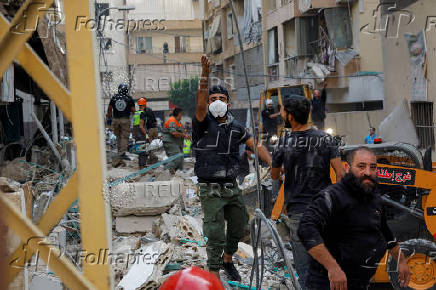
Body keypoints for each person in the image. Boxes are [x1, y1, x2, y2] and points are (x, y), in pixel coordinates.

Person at [193, 55, 272, 282]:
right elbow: (199, 101)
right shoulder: (202, 122)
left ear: (228, 102)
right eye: (213, 98)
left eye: (221, 98)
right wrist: (205, 72)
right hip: (210, 189)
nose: (217, 101)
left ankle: (228, 259)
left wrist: (272, 162)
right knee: (215, 232)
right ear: (209, 103)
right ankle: (214, 273)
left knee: (239, 227)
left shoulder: (236, 126)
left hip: (231, 186)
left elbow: (254, 145)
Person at [298, 147, 411, 289]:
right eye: (361, 166)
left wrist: (401, 261)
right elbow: (306, 228)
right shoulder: (332, 196)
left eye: (373, 167)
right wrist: (333, 268)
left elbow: (385, 231)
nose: (368, 173)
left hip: (360, 282)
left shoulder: (373, 197)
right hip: (329, 283)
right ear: (347, 168)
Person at [271, 95, 345, 288]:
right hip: (326, 211)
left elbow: (274, 174)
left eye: (283, 112)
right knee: (330, 264)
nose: (282, 115)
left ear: (290, 117)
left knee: (306, 270)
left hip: (299, 215)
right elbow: (341, 174)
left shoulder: (284, 142)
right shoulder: (326, 139)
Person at [106, 83, 135, 166]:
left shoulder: (114, 98)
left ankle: (119, 152)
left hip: (115, 120)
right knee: (124, 137)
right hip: (125, 120)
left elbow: (109, 109)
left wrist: (109, 118)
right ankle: (122, 153)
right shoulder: (129, 99)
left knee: (118, 136)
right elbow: (133, 110)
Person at [162, 108, 189, 174]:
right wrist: (183, 135)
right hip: (170, 142)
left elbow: (181, 132)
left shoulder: (178, 122)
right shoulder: (172, 120)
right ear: (179, 114)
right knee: (176, 159)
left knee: (181, 161)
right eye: (181, 114)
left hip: (176, 143)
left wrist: (184, 134)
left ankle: (175, 174)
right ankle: (164, 173)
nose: (181, 116)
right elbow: (173, 133)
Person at [132, 97, 149, 167]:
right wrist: (147, 135)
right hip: (141, 134)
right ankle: (142, 166)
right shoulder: (142, 114)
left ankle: (140, 165)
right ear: (145, 105)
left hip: (136, 134)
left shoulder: (136, 113)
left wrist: (133, 134)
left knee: (139, 149)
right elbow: (141, 126)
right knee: (143, 150)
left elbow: (134, 125)